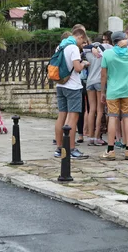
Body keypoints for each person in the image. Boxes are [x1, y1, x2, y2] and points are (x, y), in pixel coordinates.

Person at [100, 31, 128, 160]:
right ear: (123, 40)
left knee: (112, 118)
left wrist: (103, 91)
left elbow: (103, 75)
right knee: (127, 118)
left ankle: (111, 150)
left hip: (113, 90)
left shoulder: (108, 54)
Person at [53, 27, 90, 159]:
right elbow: (77, 67)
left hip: (60, 84)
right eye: (83, 41)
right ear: (79, 37)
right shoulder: (73, 47)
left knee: (61, 116)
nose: (82, 44)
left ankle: (59, 148)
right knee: (73, 117)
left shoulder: (60, 46)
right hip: (73, 86)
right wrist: (84, 63)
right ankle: (71, 148)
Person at [85, 34, 110, 146]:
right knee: (100, 110)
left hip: (89, 81)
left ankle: (90, 137)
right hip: (99, 81)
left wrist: (92, 47)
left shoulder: (89, 51)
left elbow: (84, 48)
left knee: (91, 110)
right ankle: (96, 137)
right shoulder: (106, 49)